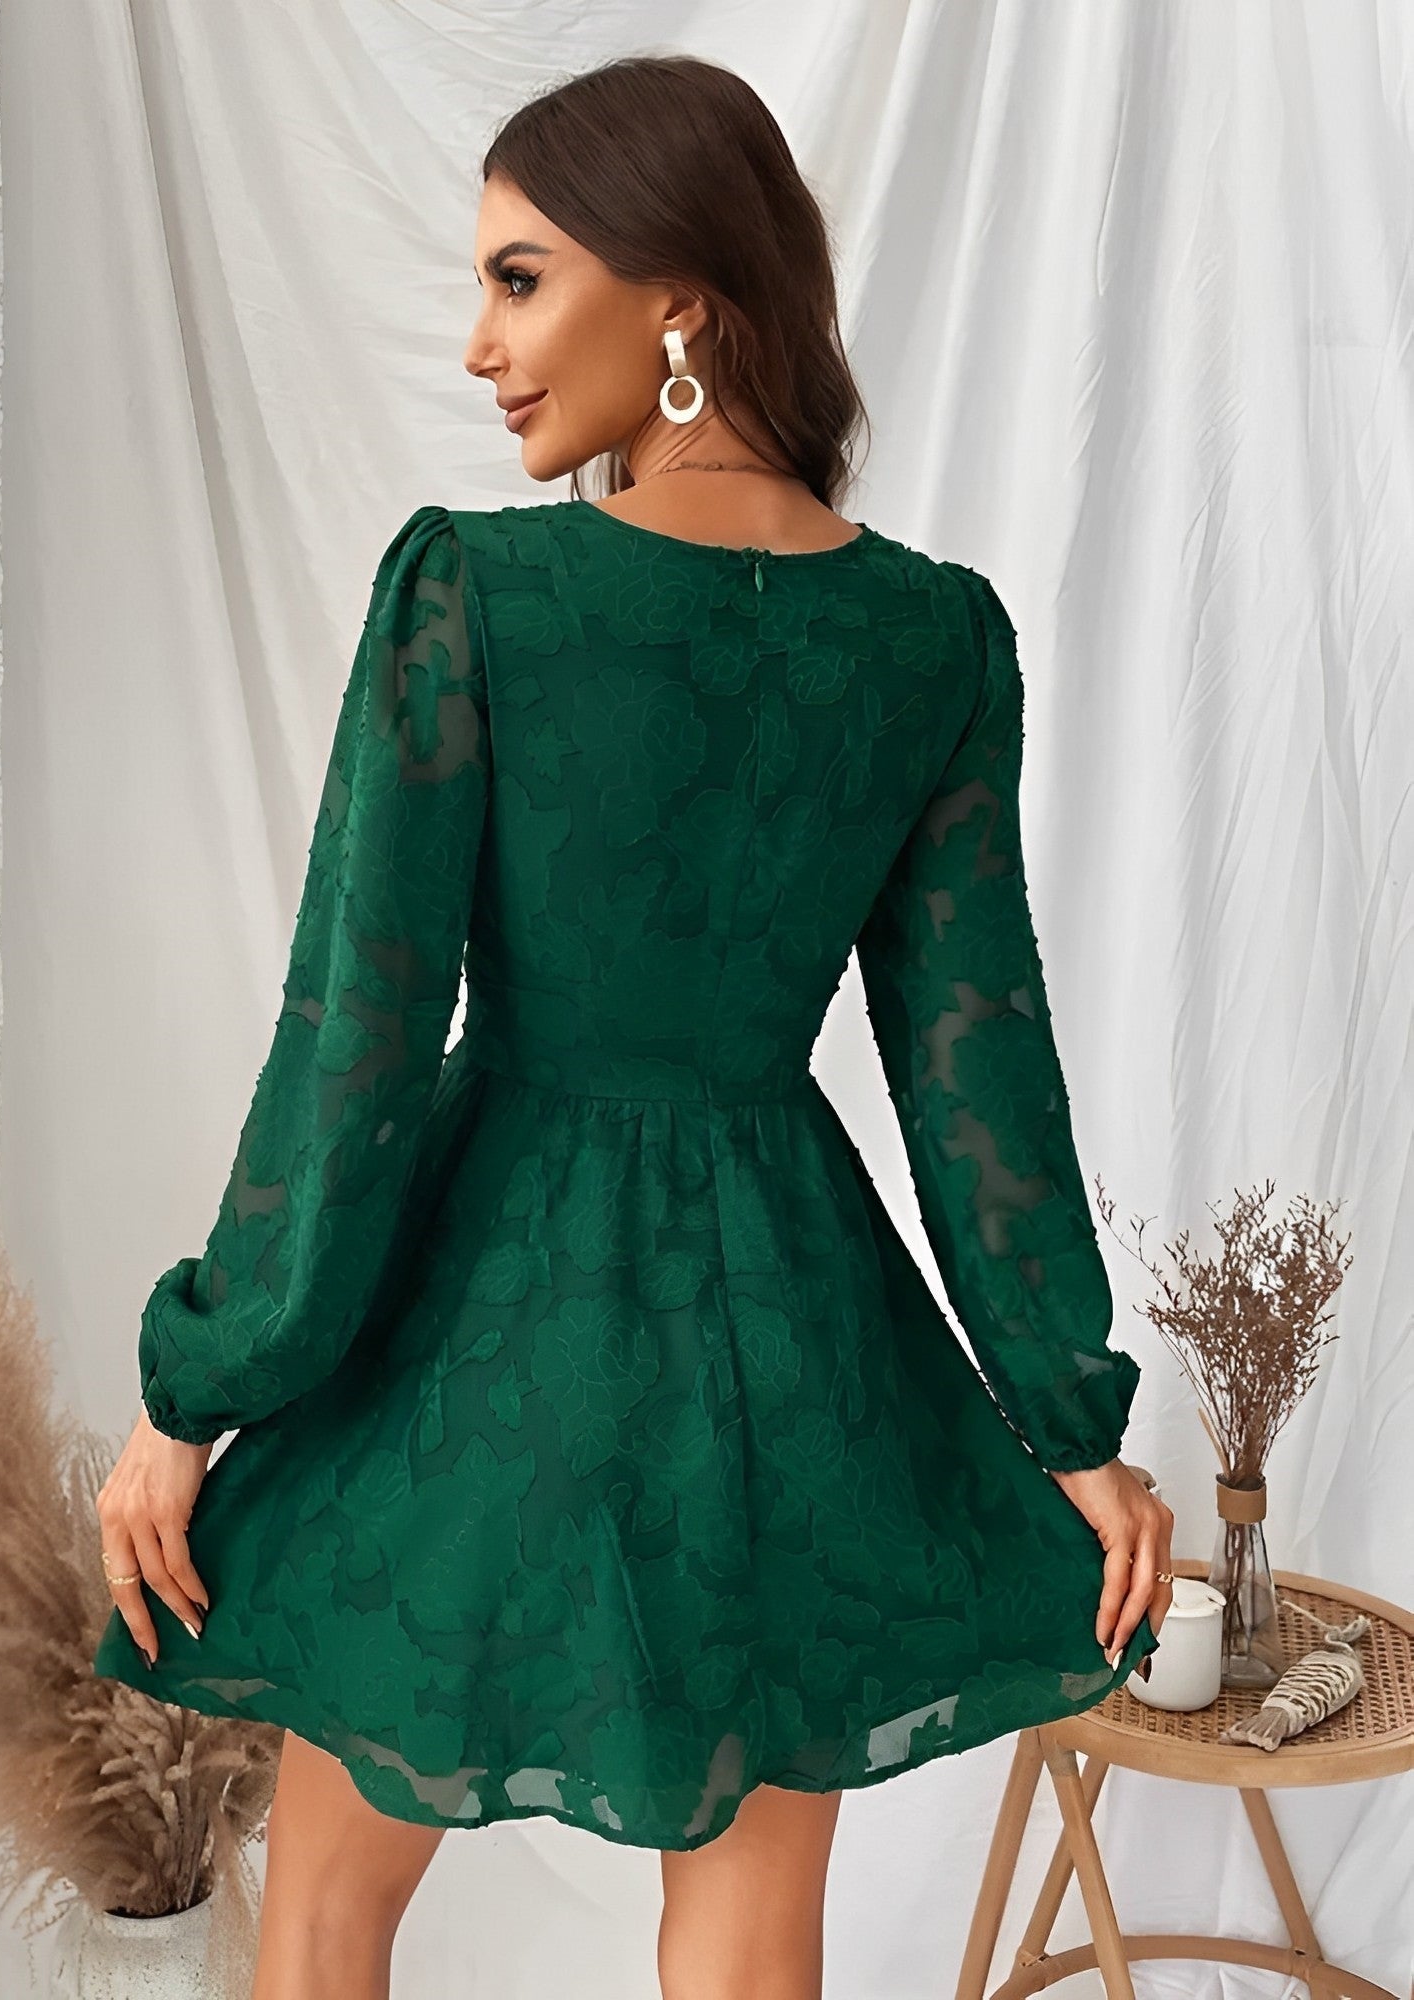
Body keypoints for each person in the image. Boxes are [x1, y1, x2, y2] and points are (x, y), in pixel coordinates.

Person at [91, 51, 1174, 2000]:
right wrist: (1069, 1419)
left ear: (679, 302)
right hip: (788, 1334)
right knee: (752, 1943)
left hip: (482, 1326)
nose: (481, 345)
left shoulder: (477, 595)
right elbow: (976, 1066)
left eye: (520, 279)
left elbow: (355, 1035)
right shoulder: (931, 638)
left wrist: (200, 1389)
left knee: (328, 1909)